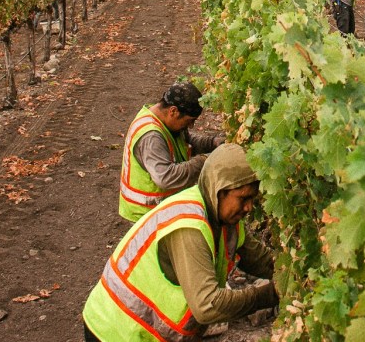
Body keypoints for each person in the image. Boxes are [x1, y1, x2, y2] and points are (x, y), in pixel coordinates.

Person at [83, 143, 278, 342]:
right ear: (220, 189)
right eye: (243, 198)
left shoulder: (225, 219)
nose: (248, 207)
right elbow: (207, 306)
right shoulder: (188, 226)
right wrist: (270, 294)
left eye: (252, 199)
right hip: (115, 331)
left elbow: (259, 260)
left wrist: (294, 276)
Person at [120, 82, 223, 223]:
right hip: (147, 214)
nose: (191, 126)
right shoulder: (151, 137)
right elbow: (166, 177)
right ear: (173, 111)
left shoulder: (163, 119)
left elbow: (186, 140)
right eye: (189, 121)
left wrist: (214, 143)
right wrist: (205, 161)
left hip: (160, 209)